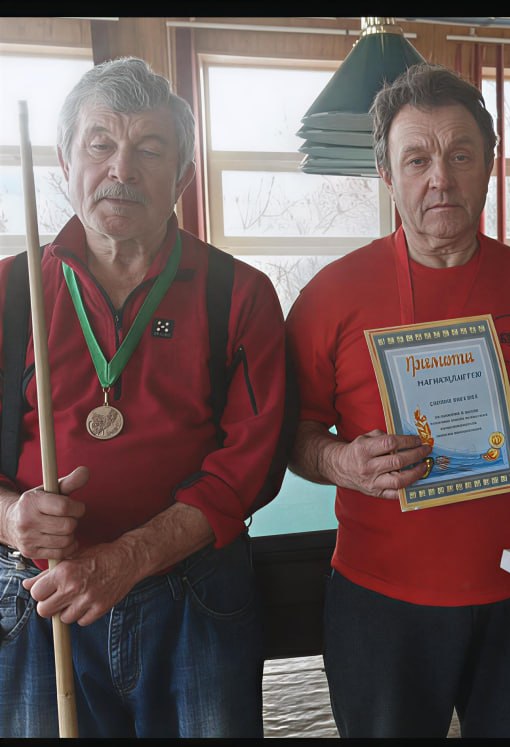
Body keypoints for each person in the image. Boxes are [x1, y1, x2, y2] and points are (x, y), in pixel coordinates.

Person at [285, 62, 510, 738]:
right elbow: (294, 435)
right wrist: (342, 462)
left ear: (488, 166)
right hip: (380, 603)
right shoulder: (329, 296)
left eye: (461, 155)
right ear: (387, 173)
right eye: (418, 159)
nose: (441, 177)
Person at [0, 57, 291, 737]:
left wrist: (128, 558)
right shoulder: (10, 293)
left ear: (183, 175)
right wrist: (11, 517)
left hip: (195, 593)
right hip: (39, 594)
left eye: (149, 150)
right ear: (65, 162)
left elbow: (251, 465)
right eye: (100, 144)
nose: (121, 169)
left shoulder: (239, 294)